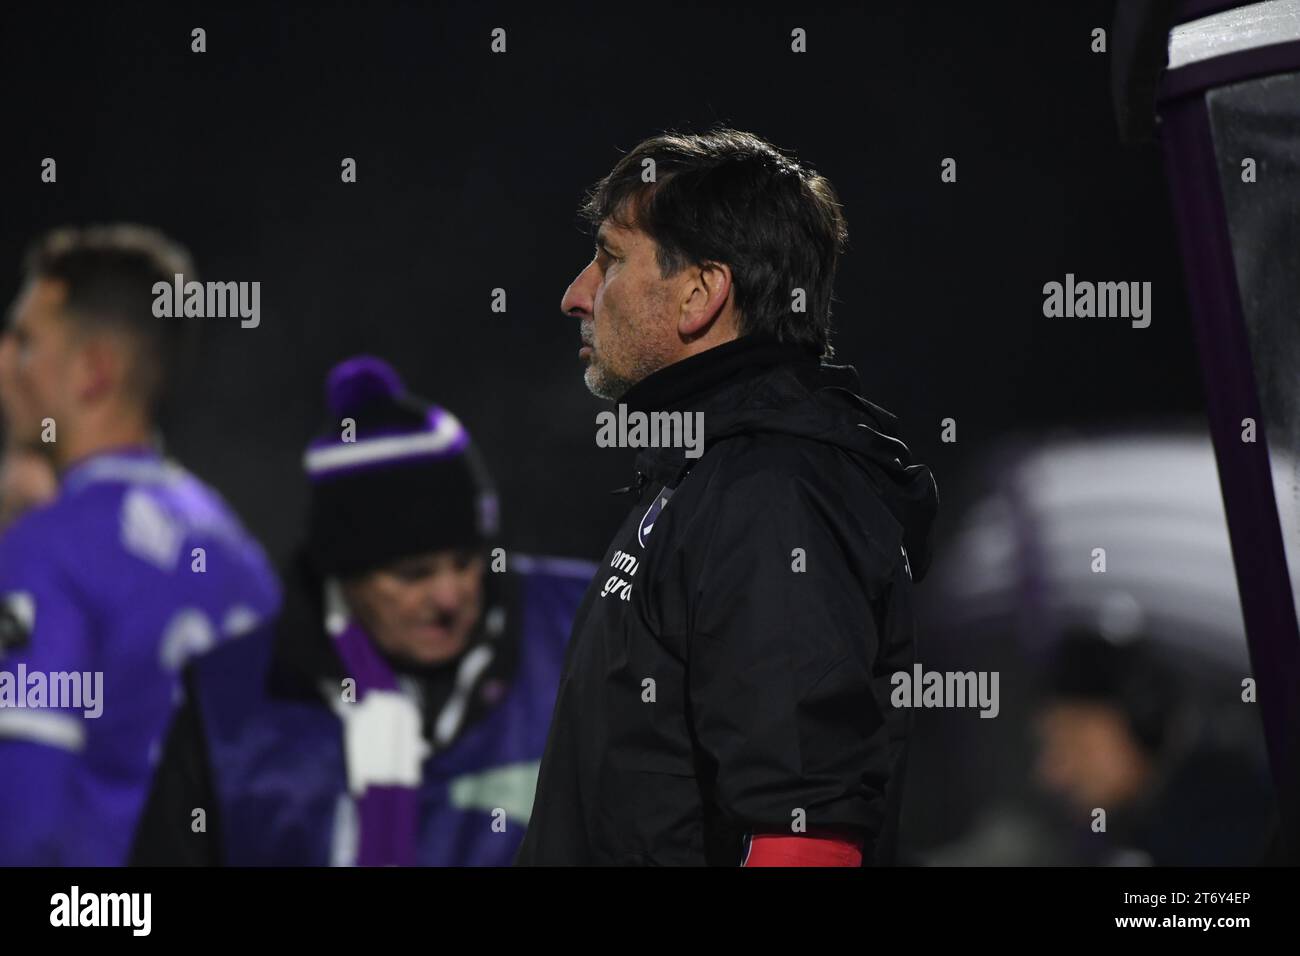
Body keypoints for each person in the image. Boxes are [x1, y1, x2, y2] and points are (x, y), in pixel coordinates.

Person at [516, 128, 939, 866]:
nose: (576, 295)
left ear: (701, 293)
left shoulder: (772, 496)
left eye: (611, 257)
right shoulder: (709, 475)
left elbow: (804, 838)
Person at [132, 356, 591, 865]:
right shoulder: (228, 706)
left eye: (465, 560)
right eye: (412, 574)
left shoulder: (587, 630)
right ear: (343, 574)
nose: (449, 595)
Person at [0, 225, 280, 865]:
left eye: (24, 341)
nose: (3, 361)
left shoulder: (43, 553)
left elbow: (27, 826)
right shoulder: (238, 552)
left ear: (93, 372)